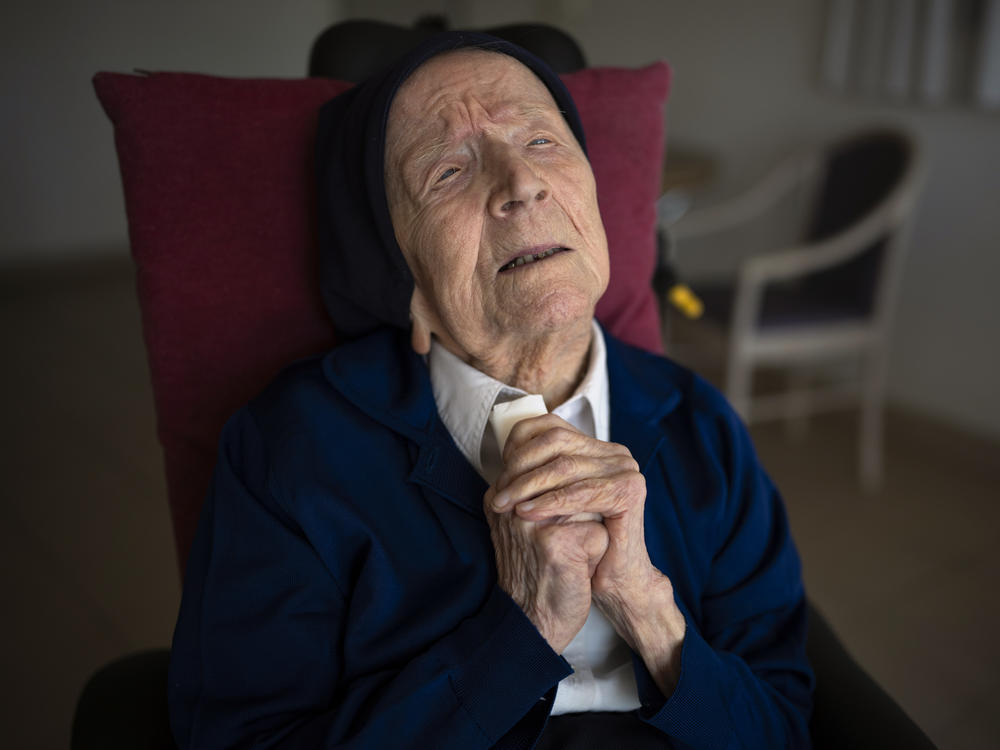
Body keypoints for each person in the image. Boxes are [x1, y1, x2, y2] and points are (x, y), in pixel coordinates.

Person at [168, 32, 813, 749]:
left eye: (541, 142)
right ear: (397, 267)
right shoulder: (292, 452)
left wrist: (651, 612)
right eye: (447, 171)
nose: (520, 185)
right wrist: (521, 632)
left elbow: (782, 727)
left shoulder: (701, 425)